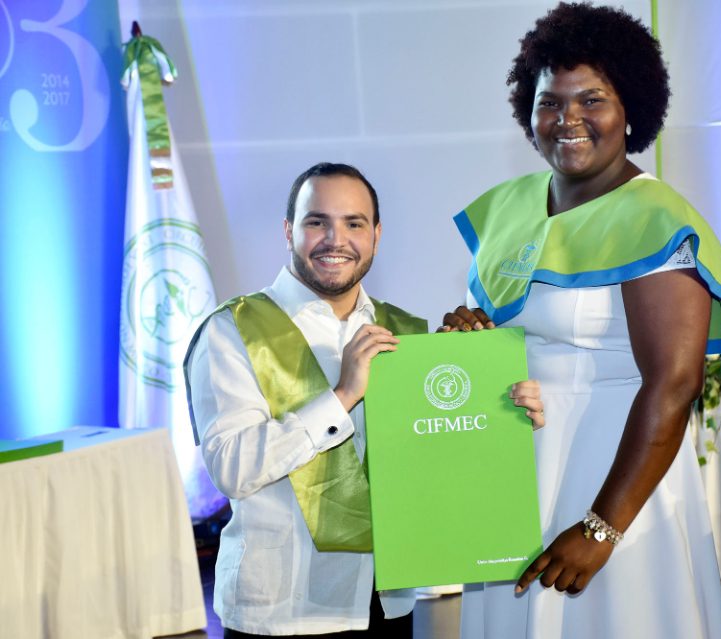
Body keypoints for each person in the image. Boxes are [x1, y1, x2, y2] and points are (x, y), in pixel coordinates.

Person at [441, 4, 721, 638]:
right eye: (550, 102)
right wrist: (473, 338)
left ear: (631, 108)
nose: (568, 119)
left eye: (592, 100)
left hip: (613, 475)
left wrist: (601, 525)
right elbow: (519, 336)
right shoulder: (509, 208)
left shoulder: (655, 217)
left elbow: (675, 382)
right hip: (512, 471)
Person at [185, 162, 546, 637]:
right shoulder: (232, 329)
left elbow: (434, 462)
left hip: (388, 602)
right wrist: (342, 396)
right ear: (289, 230)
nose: (335, 240)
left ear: (376, 234)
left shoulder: (405, 332)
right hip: (282, 607)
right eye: (317, 221)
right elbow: (231, 468)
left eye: (354, 223)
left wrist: (503, 415)